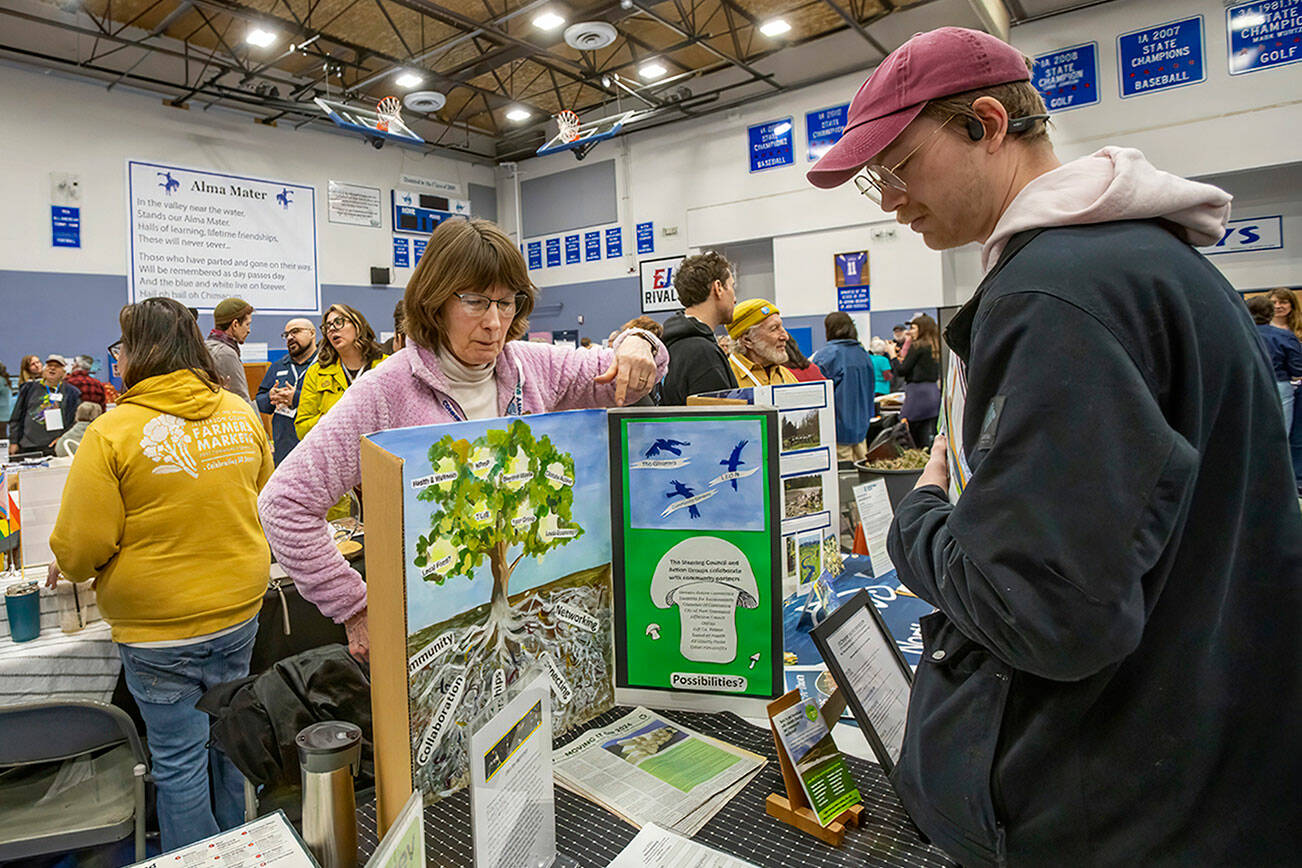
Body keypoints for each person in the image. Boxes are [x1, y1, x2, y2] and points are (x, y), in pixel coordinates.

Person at [807, 25, 1301, 866]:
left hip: (1117, 801)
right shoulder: (1148, 263)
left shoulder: (1054, 297)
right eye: (873, 182)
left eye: (897, 166)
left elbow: (1042, 616)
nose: (889, 199)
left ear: (987, 123)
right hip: (1204, 756)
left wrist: (919, 517)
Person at [259, 218, 666, 662]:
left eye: (507, 303)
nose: (495, 323)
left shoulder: (535, 367)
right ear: (435, 302)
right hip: (435, 641)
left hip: (535, 625)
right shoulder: (385, 391)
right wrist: (354, 607)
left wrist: (641, 342)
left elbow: (630, 373)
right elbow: (284, 502)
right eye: (475, 302)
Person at [47, 297, 273, 851]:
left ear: (136, 352)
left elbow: (79, 553)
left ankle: (200, 860)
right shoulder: (241, 415)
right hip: (240, 609)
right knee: (230, 742)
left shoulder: (113, 431)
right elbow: (264, 502)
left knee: (178, 762)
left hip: (159, 630)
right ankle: (244, 854)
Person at [295, 304, 387, 439]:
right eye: (327, 327)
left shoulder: (385, 366)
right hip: (335, 449)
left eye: (338, 322)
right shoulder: (317, 372)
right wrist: (329, 418)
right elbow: (301, 429)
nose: (332, 329)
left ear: (357, 325)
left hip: (378, 449)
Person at [659, 251, 738, 404]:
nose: (734, 299)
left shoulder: (669, 343)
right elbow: (718, 424)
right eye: (732, 286)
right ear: (718, 288)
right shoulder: (703, 354)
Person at [256, 318, 319, 464]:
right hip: (284, 452)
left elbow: (333, 404)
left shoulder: (324, 366)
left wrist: (295, 398)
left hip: (315, 450)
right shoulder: (278, 366)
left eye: (295, 332)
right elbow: (261, 402)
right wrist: (270, 397)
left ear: (312, 333)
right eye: (287, 335)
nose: (290, 337)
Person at [811, 312, 873, 461]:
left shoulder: (827, 356)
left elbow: (816, 395)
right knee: (863, 476)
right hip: (861, 430)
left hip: (837, 433)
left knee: (842, 479)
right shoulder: (863, 354)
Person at [1248, 295, 1302, 437]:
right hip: (1279, 384)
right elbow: (1297, 368)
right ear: (1270, 313)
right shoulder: (1284, 336)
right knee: (1280, 435)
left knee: (1254, 432)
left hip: (1249, 384)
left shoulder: (1239, 334)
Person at [8, 354, 80, 456]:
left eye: (57, 366)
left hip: (54, 446)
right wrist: (13, 442)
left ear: (63, 373)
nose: (52, 368)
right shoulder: (28, 389)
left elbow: (75, 421)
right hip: (28, 446)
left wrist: (63, 438)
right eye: (49, 365)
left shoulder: (72, 393)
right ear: (44, 370)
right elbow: (16, 417)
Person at [886, 315, 940, 448]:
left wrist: (892, 354)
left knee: (913, 437)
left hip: (917, 396)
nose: (910, 331)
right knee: (927, 436)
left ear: (922, 329)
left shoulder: (917, 346)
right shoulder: (935, 346)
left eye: (914, 328)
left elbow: (901, 371)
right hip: (933, 394)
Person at [726, 299, 798, 387]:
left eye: (781, 327)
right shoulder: (726, 378)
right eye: (774, 329)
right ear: (747, 340)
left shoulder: (786, 376)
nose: (785, 337)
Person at [205, 297, 254, 402]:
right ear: (235, 324)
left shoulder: (205, 347)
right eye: (247, 324)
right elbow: (241, 402)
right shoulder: (226, 354)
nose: (249, 330)